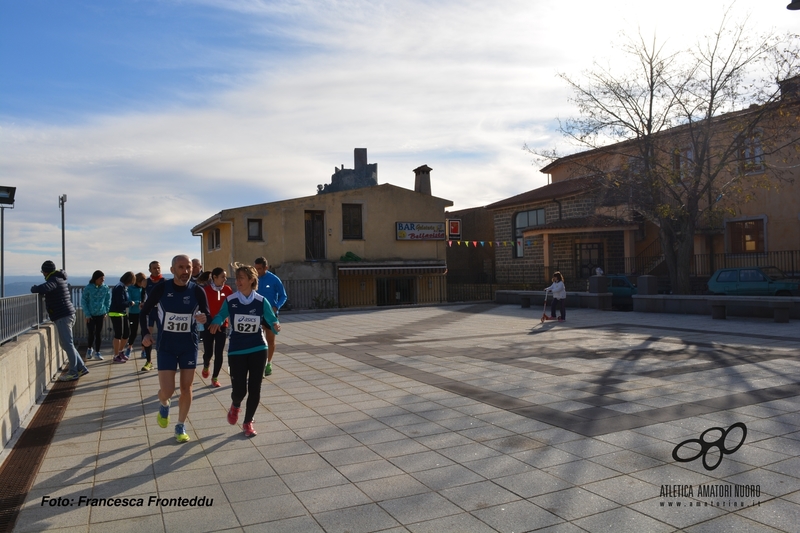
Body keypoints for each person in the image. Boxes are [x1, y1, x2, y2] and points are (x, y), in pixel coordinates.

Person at [140, 255, 210, 443]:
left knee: (186, 388)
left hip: (189, 345)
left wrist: (205, 318)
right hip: (166, 347)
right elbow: (144, 311)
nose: (186, 271)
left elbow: (207, 314)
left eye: (188, 267)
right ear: (172, 270)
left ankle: (180, 425)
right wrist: (145, 335)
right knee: (168, 390)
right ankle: (163, 403)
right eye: (181, 267)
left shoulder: (197, 291)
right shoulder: (161, 288)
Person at [208, 263, 280, 437]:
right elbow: (220, 314)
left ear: (251, 280)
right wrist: (216, 321)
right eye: (237, 278)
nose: (237, 281)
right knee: (240, 390)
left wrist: (276, 325)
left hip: (258, 347)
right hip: (237, 350)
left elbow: (271, 319)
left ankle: (248, 422)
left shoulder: (261, 301)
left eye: (241, 278)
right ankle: (236, 405)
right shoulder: (231, 300)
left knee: (255, 387)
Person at [31, 261, 89, 381]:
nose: (43, 274)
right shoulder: (59, 278)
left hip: (63, 316)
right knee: (67, 344)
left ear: (46, 271)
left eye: (43, 272)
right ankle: (81, 367)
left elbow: (45, 288)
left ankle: (73, 372)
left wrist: (34, 288)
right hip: (67, 313)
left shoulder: (54, 279)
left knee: (68, 344)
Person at [253, 257, 287, 377]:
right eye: (255, 269)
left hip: (271, 315)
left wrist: (276, 306)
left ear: (266, 268)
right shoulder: (253, 279)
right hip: (256, 314)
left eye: (260, 269)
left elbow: (284, 296)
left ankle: (268, 363)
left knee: (270, 340)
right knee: (258, 340)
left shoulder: (274, 279)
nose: (257, 272)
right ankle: (259, 364)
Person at [201, 267, 233, 387]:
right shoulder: (205, 290)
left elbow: (231, 306)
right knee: (208, 352)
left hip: (221, 326)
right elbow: (202, 308)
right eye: (222, 277)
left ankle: (215, 378)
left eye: (225, 277)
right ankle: (205, 365)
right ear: (214, 277)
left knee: (219, 353)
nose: (225, 279)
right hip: (208, 326)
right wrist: (210, 322)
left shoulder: (228, 290)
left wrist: (221, 321)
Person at [81, 270, 111, 360]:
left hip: (100, 314)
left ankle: (97, 352)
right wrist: (87, 314)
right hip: (90, 314)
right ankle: (89, 349)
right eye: (101, 279)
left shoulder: (105, 288)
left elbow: (107, 300)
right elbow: (84, 301)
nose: (102, 280)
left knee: (98, 333)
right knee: (91, 332)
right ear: (95, 279)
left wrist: (106, 311)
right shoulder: (88, 288)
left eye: (103, 279)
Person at [141, 260, 165, 371]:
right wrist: (142, 303)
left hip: (161, 312)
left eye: (158, 268)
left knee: (163, 334)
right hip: (150, 311)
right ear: (150, 270)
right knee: (147, 335)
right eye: (154, 268)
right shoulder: (146, 282)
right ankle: (148, 361)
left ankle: (163, 359)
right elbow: (142, 295)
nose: (157, 270)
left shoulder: (164, 281)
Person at [110, 272, 135, 363]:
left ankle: (120, 351)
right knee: (118, 334)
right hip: (116, 313)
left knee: (126, 334)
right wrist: (130, 303)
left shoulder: (123, 287)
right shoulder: (119, 288)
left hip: (122, 313)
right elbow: (120, 302)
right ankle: (116, 355)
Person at [125, 272, 146, 359]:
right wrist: (138, 303)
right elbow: (129, 300)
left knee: (144, 332)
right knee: (133, 331)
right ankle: (129, 348)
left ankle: (143, 350)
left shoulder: (143, 289)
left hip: (143, 312)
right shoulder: (130, 288)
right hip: (133, 312)